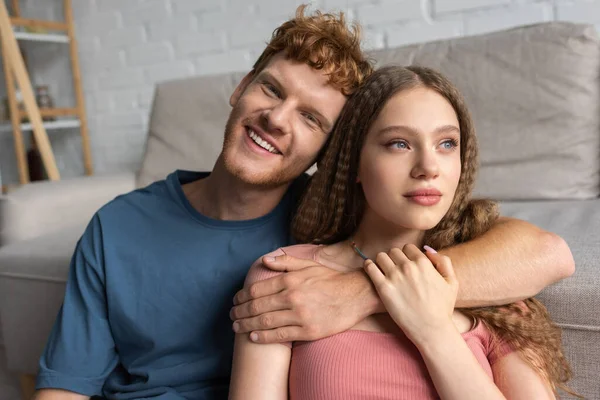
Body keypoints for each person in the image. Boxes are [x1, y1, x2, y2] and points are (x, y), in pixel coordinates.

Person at [34, 6, 573, 400]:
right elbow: (64, 387)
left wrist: (358, 293)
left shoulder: (324, 225)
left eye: (311, 118)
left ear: (330, 153)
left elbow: (545, 252)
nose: (277, 118)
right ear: (242, 86)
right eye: (270, 90)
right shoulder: (121, 227)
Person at [229, 65, 579, 400]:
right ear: (353, 164)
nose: (429, 167)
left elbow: (553, 252)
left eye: (446, 144)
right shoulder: (286, 277)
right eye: (399, 143)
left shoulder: (499, 290)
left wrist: (434, 332)